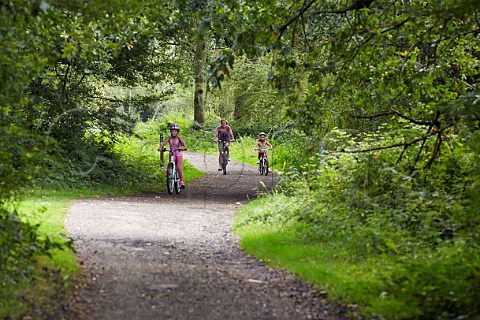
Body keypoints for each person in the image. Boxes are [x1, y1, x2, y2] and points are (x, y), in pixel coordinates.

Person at [159, 123, 187, 188]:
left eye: (175, 131)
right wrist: (161, 148)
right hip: (172, 153)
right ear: (170, 131)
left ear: (177, 132)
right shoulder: (169, 138)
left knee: (179, 167)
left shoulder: (179, 138)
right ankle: (168, 171)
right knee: (170, 162)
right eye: (172, 131)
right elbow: (163, 144)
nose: (174, 132)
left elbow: (184, 145)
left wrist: (184, 148)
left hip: (178, 153)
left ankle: (181, 181)